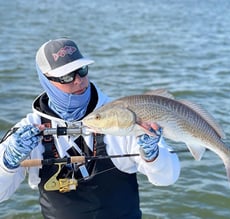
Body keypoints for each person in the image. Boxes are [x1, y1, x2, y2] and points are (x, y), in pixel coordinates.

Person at [0, 38, 180, 219]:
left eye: (82, 70)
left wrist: (153, 156)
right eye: (67, 77)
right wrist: (8, 163)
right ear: (46, 81)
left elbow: (167, 178)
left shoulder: (122, 115)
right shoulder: (26, 131)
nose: (78, 81)